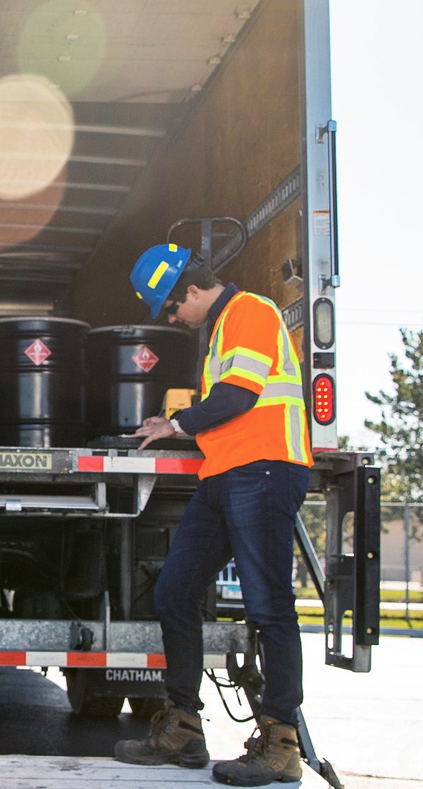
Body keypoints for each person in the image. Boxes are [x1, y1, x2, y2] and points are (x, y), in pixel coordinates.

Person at [112, 244, 313, 786]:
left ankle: (281, 741)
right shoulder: (220, 332)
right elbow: (220, 406)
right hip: (225, 476)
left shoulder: (251, 311)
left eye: (174, 308)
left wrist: (173, 425)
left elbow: (237, 398)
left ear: (193, 290)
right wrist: (175, 421)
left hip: (266, 472)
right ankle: (182, 726)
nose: (173, 318)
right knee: (175, 590)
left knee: (269, 607)